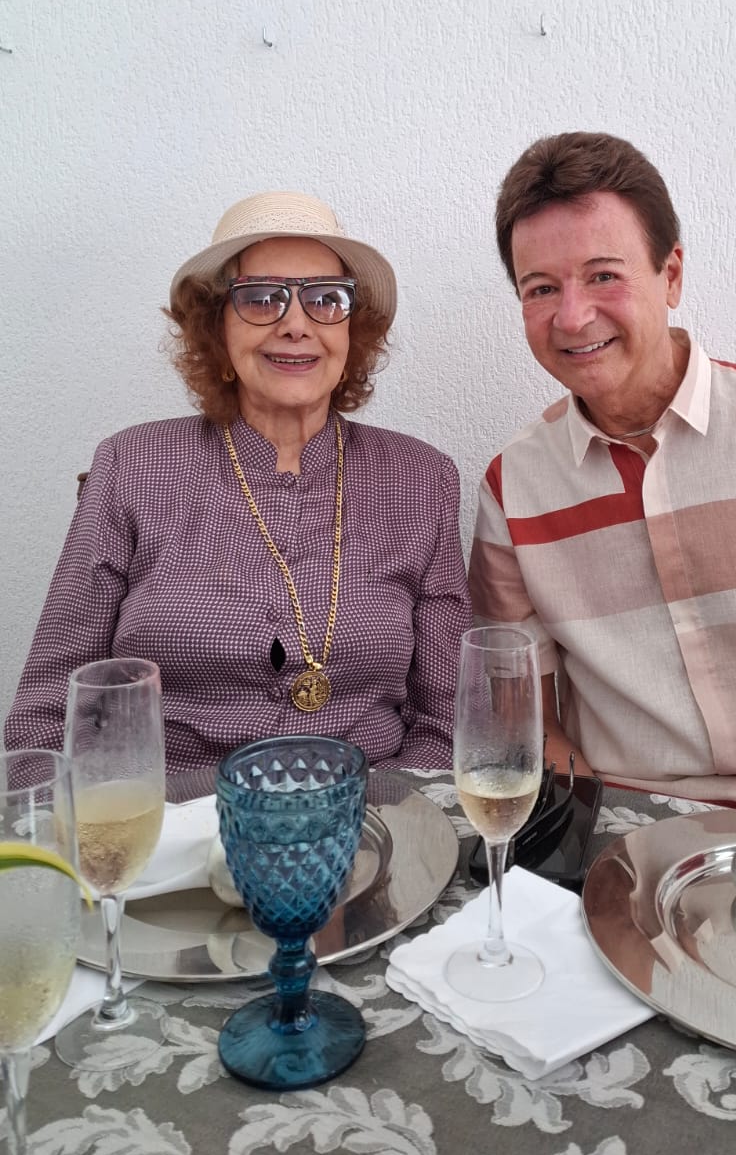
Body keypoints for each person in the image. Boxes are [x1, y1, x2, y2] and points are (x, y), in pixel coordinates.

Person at [468, 132, 736, 823]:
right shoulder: (511, 488)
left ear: (671, 274)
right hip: (632, 824)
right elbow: (526, 720)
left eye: (603, 275)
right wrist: (592, 833)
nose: (573, 317)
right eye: (541, 288)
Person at [6, 191, 471, 771]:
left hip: (367, 810)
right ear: (216, 328)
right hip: (169, 812)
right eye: (260, 298)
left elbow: (444, 726)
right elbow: (46, 719)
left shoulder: (422, 480)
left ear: (353, 332)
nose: (296, 325)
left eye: (326, 299)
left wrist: (383, 812)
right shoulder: (131, 465)